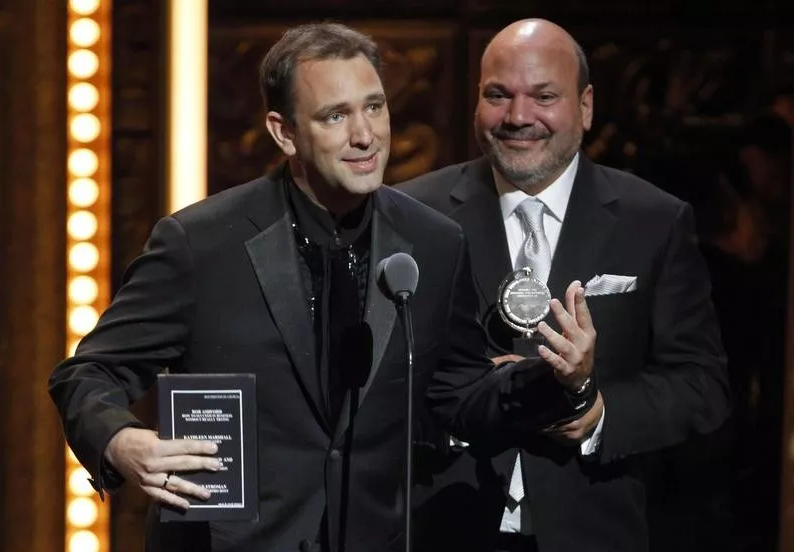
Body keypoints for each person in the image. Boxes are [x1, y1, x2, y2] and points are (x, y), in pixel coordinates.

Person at [48, 22, 597, 552]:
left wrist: (557, 379)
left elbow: (459, 395)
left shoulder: (433, 243)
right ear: (283, 132)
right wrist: (121, 442)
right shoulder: (199, 244)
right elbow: (88, 373)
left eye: (374, 107)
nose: (365, 136)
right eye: (335, 116)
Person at [398, 18, 730, 552]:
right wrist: (464, 405)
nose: (518, 117)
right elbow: (372, 383)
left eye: (544, 96)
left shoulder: (655, 221)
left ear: (586, 105)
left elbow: (701, 386)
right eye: (498, 95)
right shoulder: (413, 214)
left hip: (592, 531)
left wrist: (596, 412)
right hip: (446, 526)